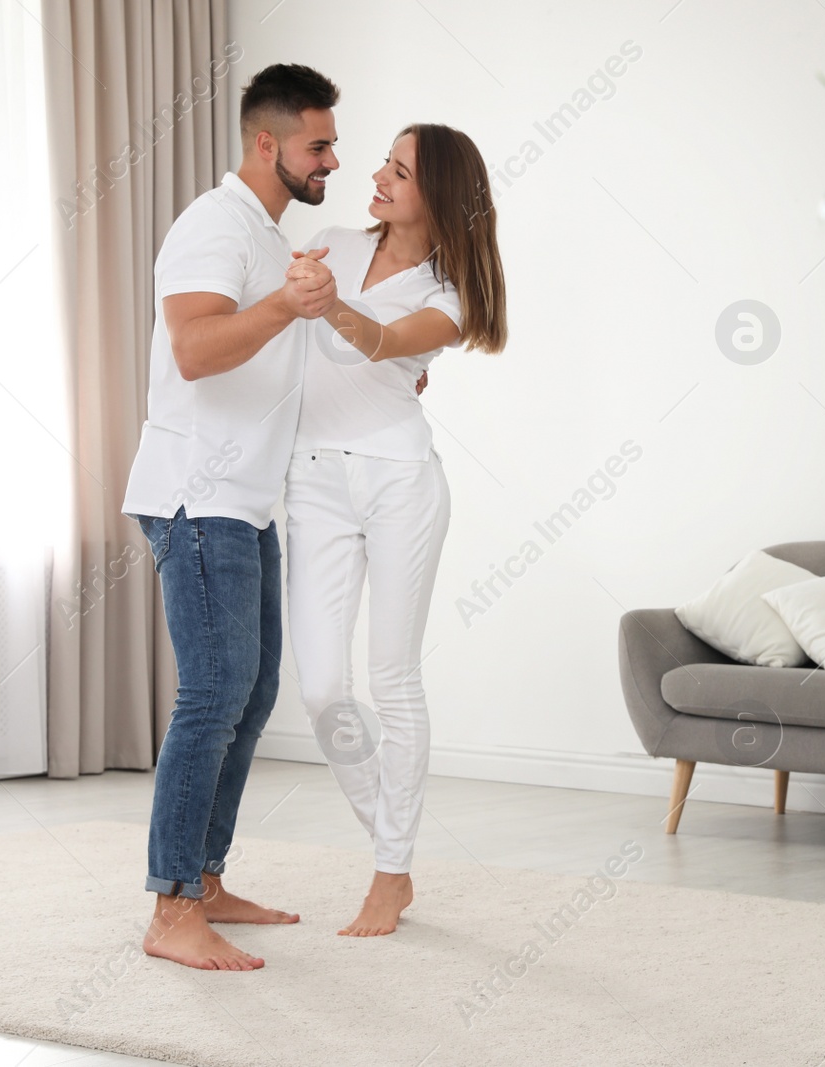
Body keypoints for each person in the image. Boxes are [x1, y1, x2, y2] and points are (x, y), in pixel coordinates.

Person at [119, 63, 343, 971]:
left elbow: (273, 370)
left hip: (245, 503)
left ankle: (204, 878)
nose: (332, 157)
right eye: (318, 143)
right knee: (213, 695)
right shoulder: (213, 226)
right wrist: (286, 304)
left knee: (248, 699)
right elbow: (199, 347)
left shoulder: (267, 236)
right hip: (194, 496)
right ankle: (171, 908)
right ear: (268, 143)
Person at [282, 123, 508, 936]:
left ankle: (390, 870)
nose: (376, 174)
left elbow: (382, 344)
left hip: (399, 481)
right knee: (319, 689)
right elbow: (279, 337)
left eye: (399, 170)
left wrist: (327, 302)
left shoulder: (449, 295)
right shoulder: (332, 242)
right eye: (384, 160)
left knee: (392, 677)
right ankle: (391, 838)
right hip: (314, 479)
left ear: (437, 194)